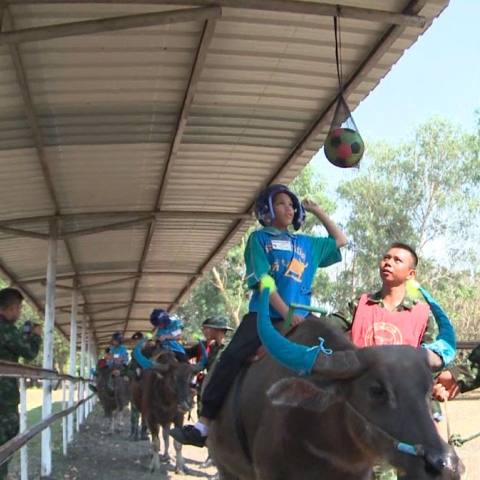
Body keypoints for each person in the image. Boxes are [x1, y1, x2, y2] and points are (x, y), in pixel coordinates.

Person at [170, 183, 347, 447]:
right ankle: (203, 426)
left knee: (335, 355)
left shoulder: (306, 242)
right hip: (264, 316)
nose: (288, 208)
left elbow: (340, 241)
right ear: (267, 209)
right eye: (281, 203)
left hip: (304, 315)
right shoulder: (259, 239)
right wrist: (286, 313)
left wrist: (318, 211)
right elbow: (264, 280)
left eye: (291, 204)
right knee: (229, 358)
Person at [324, 243, 456, 480]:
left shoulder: (422, 313)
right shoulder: (360, 304)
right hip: (369, 405)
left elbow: (429, 358)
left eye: (397, 260)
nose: (388, 262)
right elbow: (327, 329)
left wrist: (434, 384)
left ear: (411, 274)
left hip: (411, 406)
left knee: (424, 466)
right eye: (386, 257)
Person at [0, 288, 42, 480]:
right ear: (9, 308)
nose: (18, 313)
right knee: (4, 449)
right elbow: (29, 353)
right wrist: (36, 336)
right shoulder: (6, 329)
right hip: (3, 401)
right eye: (17, 308)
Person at [124, 331, 149, 441]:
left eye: (139, 340)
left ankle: (144, 432)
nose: (137, 342)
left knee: (147, 408)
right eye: (136, 341)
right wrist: (129, 372)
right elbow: (130, 367)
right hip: (136, 381)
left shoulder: (148, 351)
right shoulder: (134, 353)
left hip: (147, 381)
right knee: (134, 407)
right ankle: (134, 432)